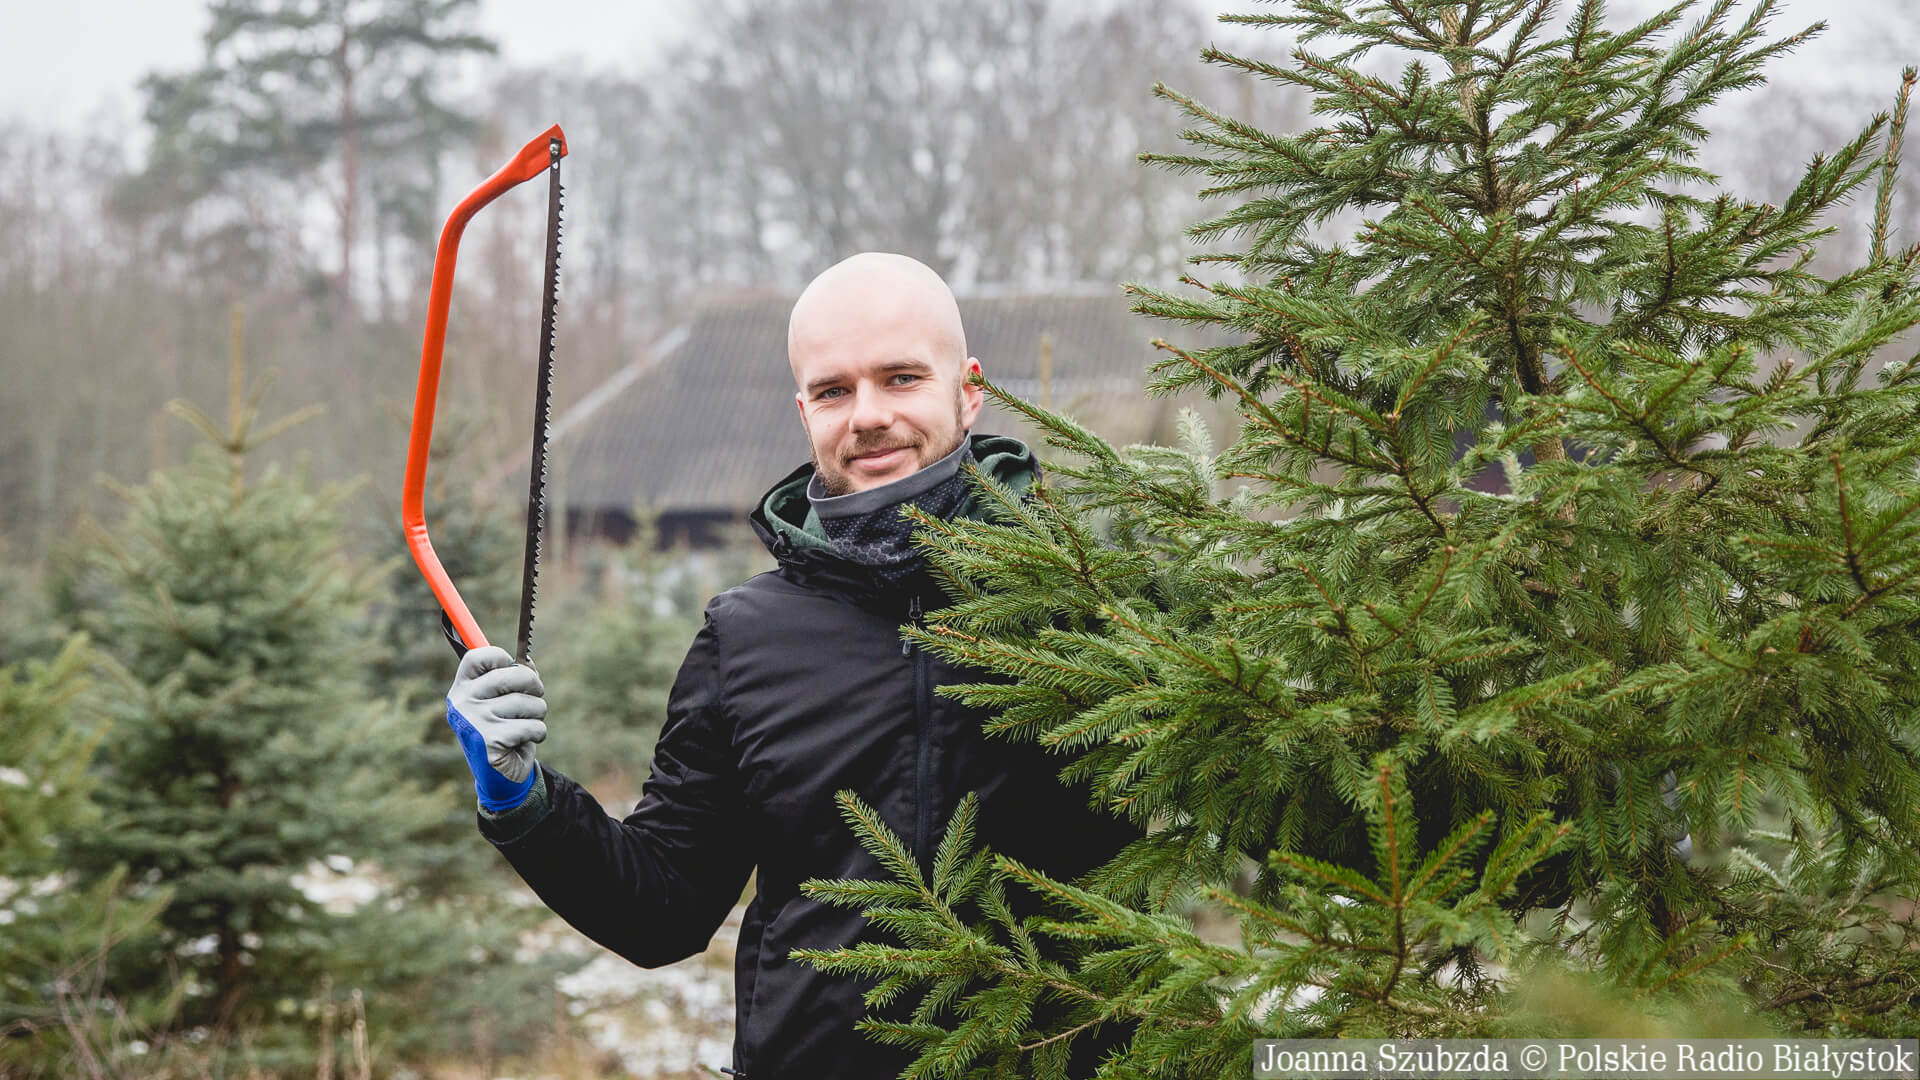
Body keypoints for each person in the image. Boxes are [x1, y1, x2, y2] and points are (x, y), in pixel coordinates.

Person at [443, 252, 1138, 1077]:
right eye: (835, 390)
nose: (869, 415)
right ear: (803, 410)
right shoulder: (747, 640)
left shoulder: (1099, 605)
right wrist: (523, 800)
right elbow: (663, 908)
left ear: (970, 388)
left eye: (902, 378)